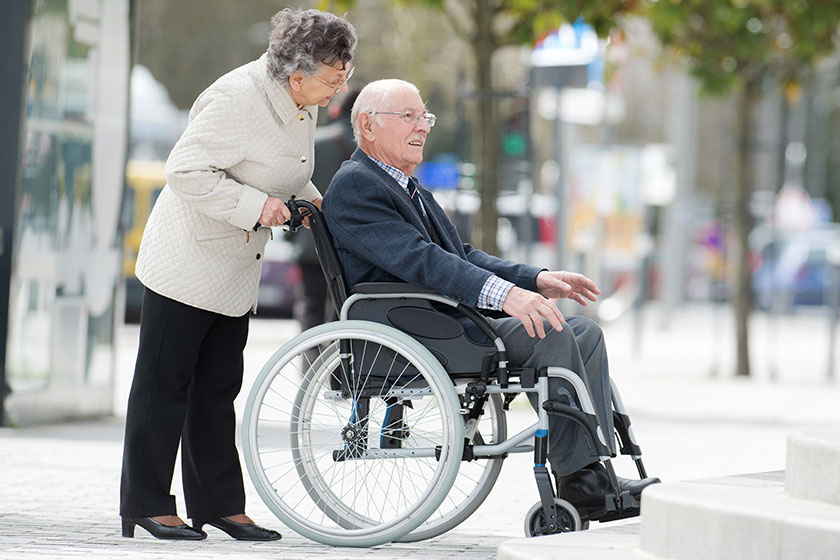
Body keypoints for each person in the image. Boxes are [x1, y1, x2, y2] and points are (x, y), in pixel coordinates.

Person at [321, 79, 659, 516]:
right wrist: (508, 297)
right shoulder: (356, 186)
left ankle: (589, 470)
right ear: (367, 125)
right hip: (415, 329)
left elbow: (461, 256)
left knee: (584, 331)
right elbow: (423, 262)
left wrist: (536, 279)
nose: (422, 126)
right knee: (552, 331)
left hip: (443, 321)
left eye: (425, 116)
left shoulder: (406, 186)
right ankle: (581, 482)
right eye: (409, 116)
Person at [119, 8, 356, 541]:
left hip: (232, 267)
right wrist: (258, 206)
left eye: (344, 77)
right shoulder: (237, 98)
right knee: (164, 387)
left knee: (217, 389)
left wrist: (318, 204)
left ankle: (219, 505)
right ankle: (145, 502)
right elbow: (184, 171)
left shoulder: (299, 102)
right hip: (187, 260)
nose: (339, 89)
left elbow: (287, 172)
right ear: (297, 73)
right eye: (333, 79)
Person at [290, 88, 360, 332]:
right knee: (343, 312)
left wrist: (293, 236)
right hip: (353, 248)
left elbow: (292, 189)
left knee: (310, 308)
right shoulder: (371, 149)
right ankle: (337, 369)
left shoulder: (314, 144)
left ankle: (311, 366)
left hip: (311, 244)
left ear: (335, 109)